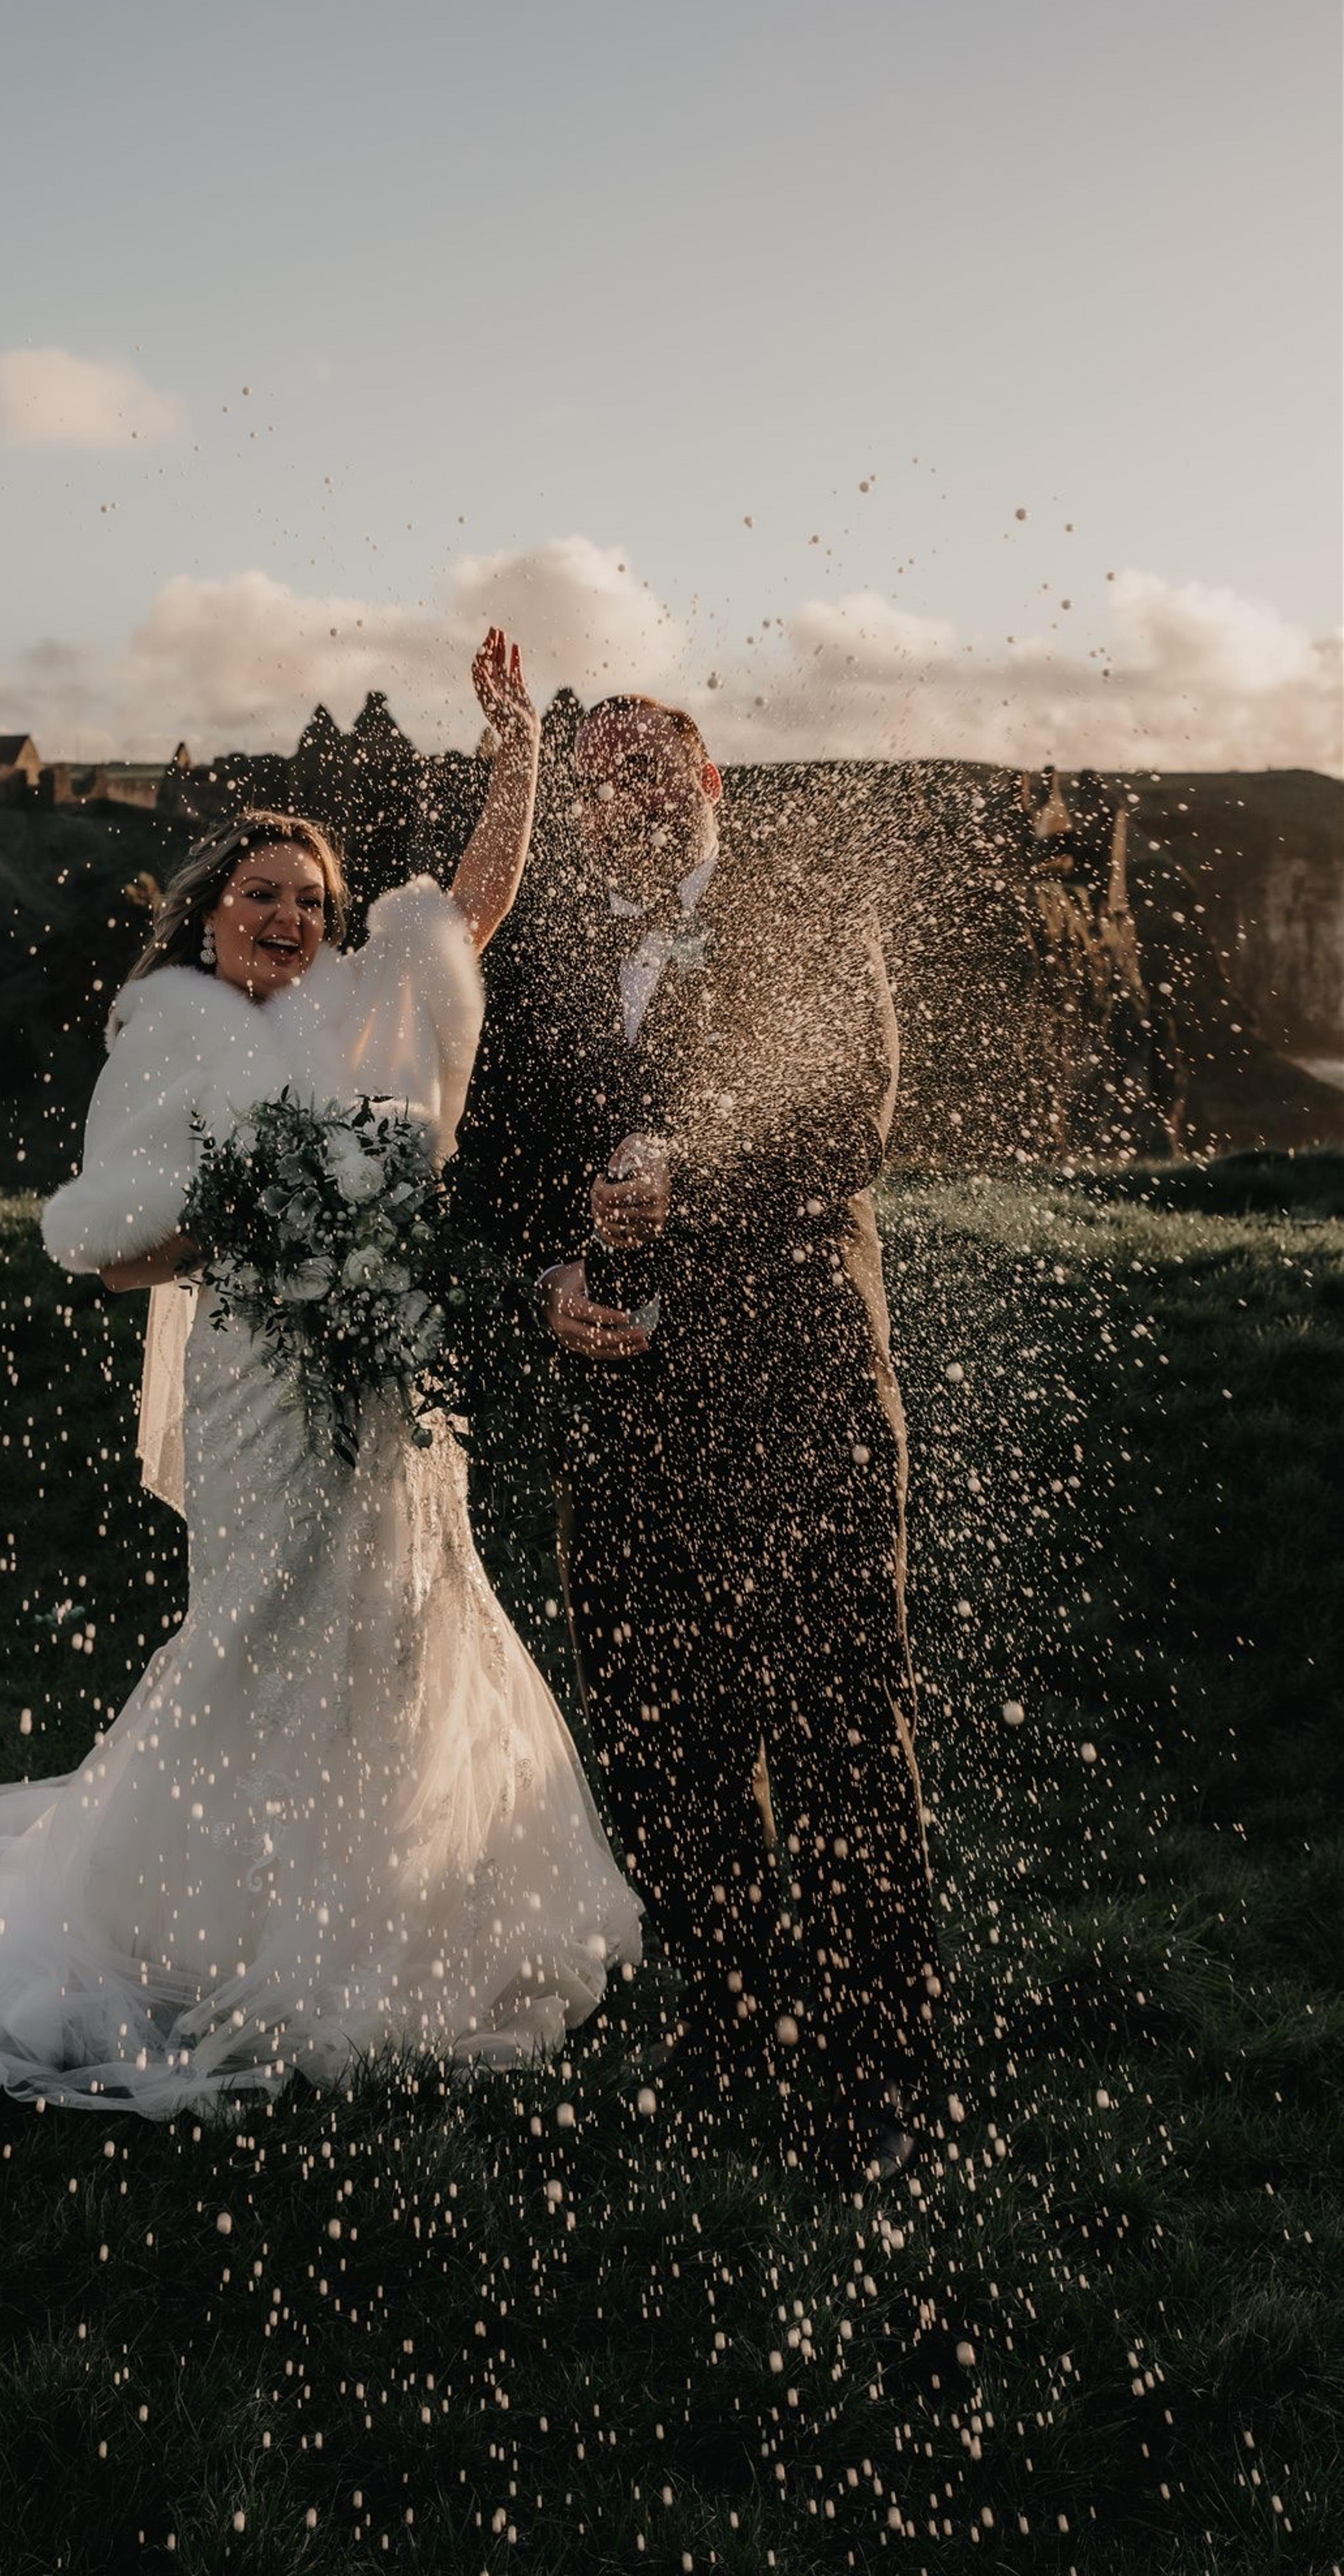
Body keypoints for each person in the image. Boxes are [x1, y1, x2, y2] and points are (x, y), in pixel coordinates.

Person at [0, 632, 640, 2158]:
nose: (290, 920)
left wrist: (513, 752)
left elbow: (470, 915)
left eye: (311, 902)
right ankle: (223, 1931)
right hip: (255, 1380)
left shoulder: (362, 1011)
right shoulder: (169, 1032)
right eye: (262, 896)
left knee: (400, 1627)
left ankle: (392, 1916)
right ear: (210, 913)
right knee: (261, 1626)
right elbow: (108, 1243)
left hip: (384, 1387)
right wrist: (254, 1217)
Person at [458, 691, 940, 2183]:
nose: (631, 796)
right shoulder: (539, 964)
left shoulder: (804, 905)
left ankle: (879, 2068)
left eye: (657, 767)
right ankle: (732, 2033)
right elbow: (491, 1176)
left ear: (709, 772)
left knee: (840, 1721)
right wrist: (543, 1283)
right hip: (623, 1413)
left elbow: (852, 1114)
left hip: (802, 1392)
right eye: (602, 780)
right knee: (664, 1734)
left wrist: (689, 1172)